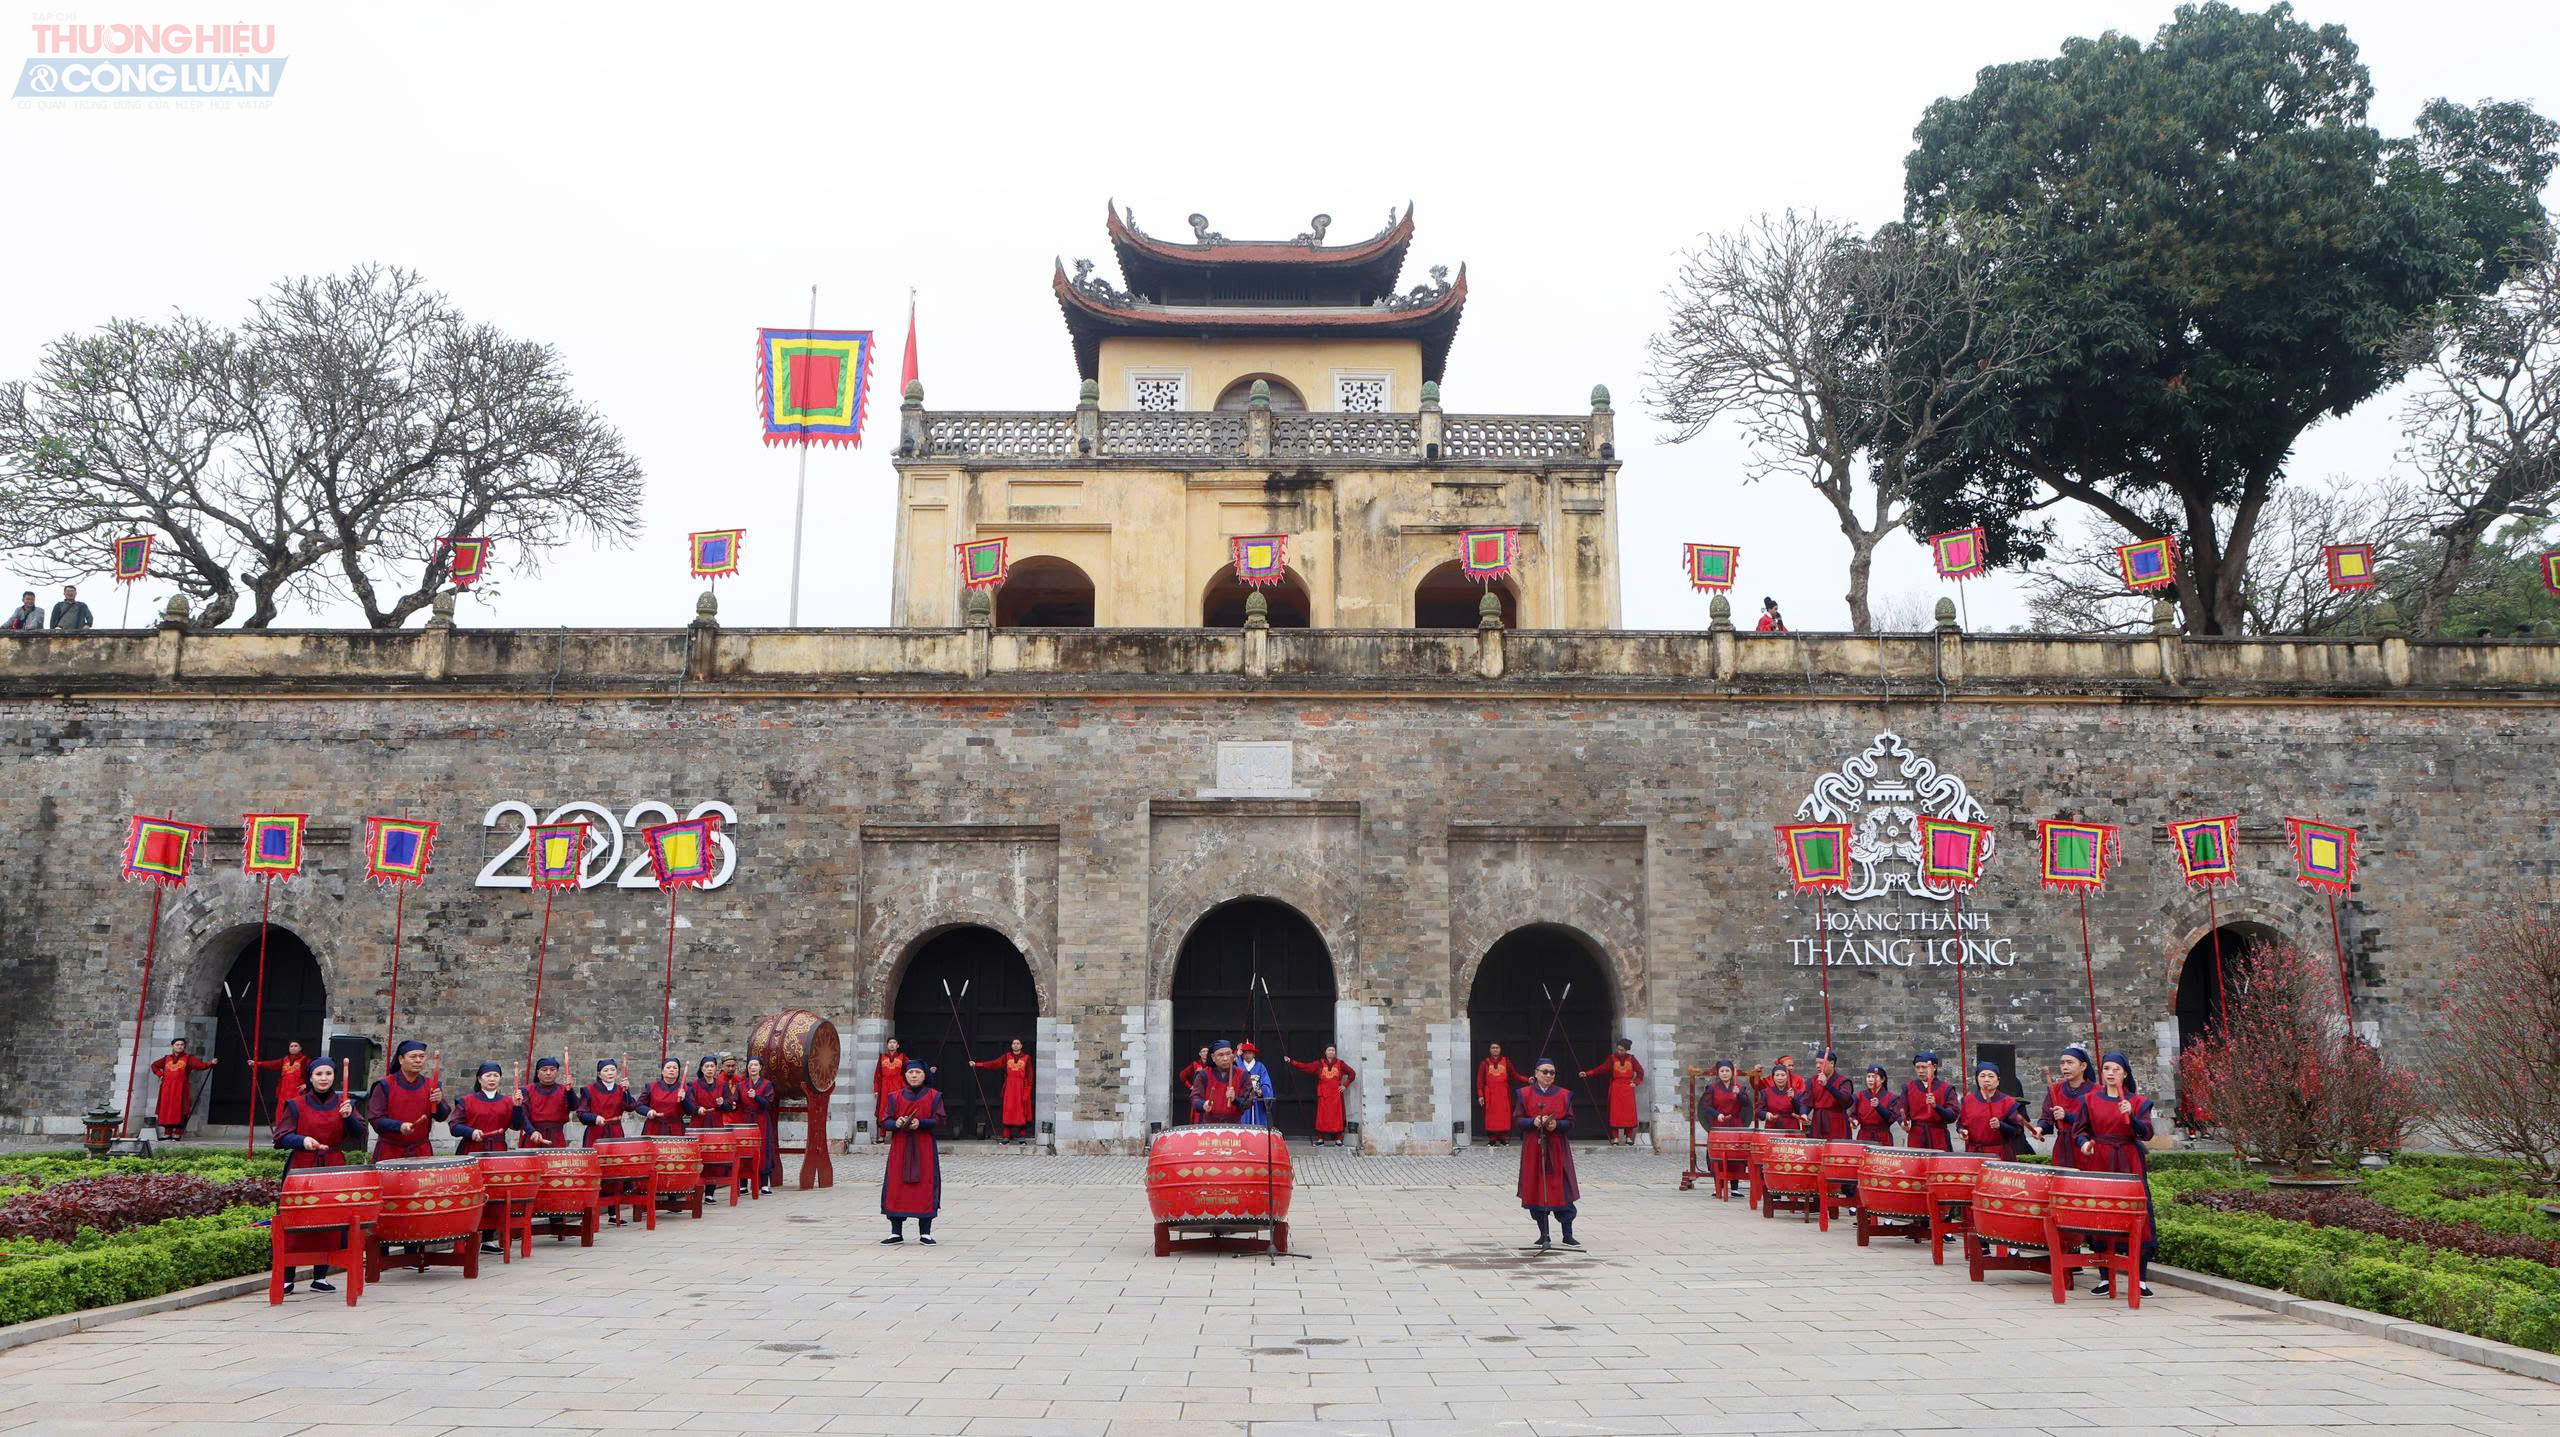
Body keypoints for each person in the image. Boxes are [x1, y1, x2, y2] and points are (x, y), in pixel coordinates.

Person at [271, 1056, 365, 1294]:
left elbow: (359, 1135)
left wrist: (349, 1118)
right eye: (319, 1074)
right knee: (296, 1218)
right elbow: (280, 1137)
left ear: (334, 1077)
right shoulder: (296, 1104)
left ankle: (320, 1276)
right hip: (302, 1167)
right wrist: (303, 1141)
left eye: (328, 1074)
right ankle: (287, 1277)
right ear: (310, 1078)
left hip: (333, 1167)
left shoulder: (345, 1103)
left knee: (329, 1218)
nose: (324, 1078)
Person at [2079, 1052, 2158, 1298]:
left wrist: (2131, 1116)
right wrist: (2084, 1143)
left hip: (2129, 1160)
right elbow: (2080, 1131)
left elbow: (2146, 1133)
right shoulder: (2089, 1100)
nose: (2110, 1073)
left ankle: (2140, 1279)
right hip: (2100, 1160)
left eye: (2116, 1069)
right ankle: (2105, 1277)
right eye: (2106, 1069)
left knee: (2136, 1213)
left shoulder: (2139, 1101)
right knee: (2101, 1212)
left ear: (2125, 1073)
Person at [1514, 1060, 1580, 1248]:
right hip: (1534, 1149)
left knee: (1561, 1187)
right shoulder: (1524, 1094)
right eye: (1545, 1072)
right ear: (1536, 1073)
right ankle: (1544, 1235)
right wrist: (1533, 1122)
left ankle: (1568, 1234)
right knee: (1536, 1189)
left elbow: (1571, 1122)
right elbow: (1518, 1120)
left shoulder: (1564, 1094)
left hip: (1557, 1148)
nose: (1549, 1075)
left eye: (1552, 1072)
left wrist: (1556, 1124)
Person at [880, 1060, 945, 1244]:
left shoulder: (934, 1096)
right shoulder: (894, 1096)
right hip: (900, 1148)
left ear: (924, 1075)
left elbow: (940, 1120)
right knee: (896, 1185)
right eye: (910, 1072)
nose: (914, 1075)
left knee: (926, 1184)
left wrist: (921, 1123)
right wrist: (896, 1123)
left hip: (924, 1147)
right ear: (905, 1075)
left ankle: (925, 1232)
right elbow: (884, 1120)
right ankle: (896, 1232)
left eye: (918, 1072)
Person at [366, 1040, 449, 1161]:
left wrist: (439, 1102)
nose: (418, 1060)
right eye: (413, 1056)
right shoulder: (385, 1085)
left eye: (422, 1056)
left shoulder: (431, 1085)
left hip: (421, 1152)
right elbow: (375, 1119)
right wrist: (399, 1126)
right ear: (401, 1059)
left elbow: (442, 1116)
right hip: (390, 1152)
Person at [2038, 1044, 2097, 1169]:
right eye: (2062, 1063)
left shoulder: (2097, 1092)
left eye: (2070, 1063)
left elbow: (2098, 1122)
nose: (2065, 1067)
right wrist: (2039, 1128)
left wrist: (2067, 1116)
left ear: (2083, 1066)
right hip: (2063, 1147)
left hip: (2087, 1145)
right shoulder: (2056, 1090)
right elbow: (2047, 1117)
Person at [1286, 1045, 1357, 1147]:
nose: (1331, 1052)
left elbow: (1352, 1074)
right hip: (1323, 1094)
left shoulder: (1340, 1063)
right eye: (1329, 1050)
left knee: (1337, 1117)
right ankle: (1320, 1139)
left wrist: (1345, 1085)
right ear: (1325, 1052)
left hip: (1335, 1095)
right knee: (1322, 1117)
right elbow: (1306, 1067)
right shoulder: (1319, 1063)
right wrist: (1292, 1061)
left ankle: (1338, 1139)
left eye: (1333, 1050)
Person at [971, 1037, 1037, 1144]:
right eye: (1014, 1043)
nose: (1016, 1045)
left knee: (1021, 1112)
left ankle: (1022, 1137)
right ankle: (1006, 1137)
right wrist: (978, 1064)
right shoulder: (1007, 1057)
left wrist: (1027, 1091)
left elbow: (1030, 1076)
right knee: (1008, 1111)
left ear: (1021, 1046)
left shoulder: (1026, 1058)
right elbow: (994, 1064)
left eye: (1018, 1043)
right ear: (1011, 1045)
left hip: (1021, 1088)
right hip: (1009, 1088)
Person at [1581, 1039, 1647, 1145]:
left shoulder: (1632, 1059)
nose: (1619, 1051)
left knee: (1628, 1112)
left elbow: (1640, 1072)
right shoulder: (1612, 1058)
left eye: (1622, 1050)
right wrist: (1588, 1073)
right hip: (1616, 1088)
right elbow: (1602, 1069)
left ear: (1626, 1050)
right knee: (1615, 1112)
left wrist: (1635, 1083)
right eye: (1618, 1049)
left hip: (1627, 1088)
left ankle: (1628, 1137)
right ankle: (1615, 1137)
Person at [1957, 1062, 2028, 1160]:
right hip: (1974, 1153)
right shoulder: (1967, 1101)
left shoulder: (2008, 1102)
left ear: (1998, 1081)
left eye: (1991, 1076)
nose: (1986, 1079)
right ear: (1977, 1079)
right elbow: (1961, 1123)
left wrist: (2001, 1125)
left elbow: (2018, 1130)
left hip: (2000, 1153)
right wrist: (1962, 1131)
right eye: (1982, 1076)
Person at [450, 1062, 524, 1155]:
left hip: (498, 1151)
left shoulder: (508, 1101)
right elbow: (454, 1126)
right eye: (488, 1075)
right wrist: (471, 1132)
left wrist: (517, 1107)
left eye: (496, 1075)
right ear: (479, 1079)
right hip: (472, 1150)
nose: (492, 1079)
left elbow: (517, 1126)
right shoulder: (466, 1101)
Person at [147, 1038, 214, 1139]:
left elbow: (201, 1066)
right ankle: (167, 1133)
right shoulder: (167, 1058)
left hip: (181, 1089)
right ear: (173, 1046)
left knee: (181, 1110)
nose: (179, 1046)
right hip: (167, 1089)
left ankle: (178, 1133)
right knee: (167, 1110)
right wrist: (160, 1074)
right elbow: (154, 1065)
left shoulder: (189, 1058)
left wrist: (211, 1063)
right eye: (177, 1045)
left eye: (182, 1045)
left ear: (184, 1046)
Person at [1899, 1051, 1957, 1151]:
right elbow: (1900, 1110)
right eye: (1917, 1067)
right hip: (1916, 1137)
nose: (1920, 1071)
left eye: (1924, 1067)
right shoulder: (1908, 1088)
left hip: (1939, 1137)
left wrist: (1936, 1107)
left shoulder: (1946, 1089)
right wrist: (1903, 1122)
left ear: (1934, 1067)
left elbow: (1952, 1115)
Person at [247, 1040, 310, 1130]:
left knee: (297, 1113)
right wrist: (256, 1064)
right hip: (284, 1092)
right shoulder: (285, 1060)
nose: (293, 1048)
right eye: (291, 1046)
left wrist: (307, 1085)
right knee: (281, 1114)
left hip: (297, 1093)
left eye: (296, 1046)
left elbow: (314, 1072)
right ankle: (280, 1133)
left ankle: (296, 1133)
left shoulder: (305, 1060)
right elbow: (271, 1064)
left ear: (300, 1048)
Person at [740, 1055, 780, 1193]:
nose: (752, 1067)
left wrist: (756, 1097)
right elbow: (735, 1101)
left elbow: (768, 1103)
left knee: (763, 1149)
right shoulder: (741, 1085)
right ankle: (743, 1183)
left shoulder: (767, 1084)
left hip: (761, 1119)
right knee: (744, 1149)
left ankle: (764, 1184)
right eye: (750, 1065)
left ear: (760, 1067)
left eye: (755, 1065)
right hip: (746, 1120)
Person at [520, 1055, 576, 1147]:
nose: (548, 1073)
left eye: (552, 1070)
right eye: (544, 1070)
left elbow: (574, 1106)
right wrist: (531, 1131)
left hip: (556, 1138)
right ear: (538, 1072)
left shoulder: (564, 1090)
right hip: (534, 1137)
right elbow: (522, 1116)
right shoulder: (527, 1091)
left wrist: (570, 1091)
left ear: (557, 1072)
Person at [577, 1058, 637, 1144]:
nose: (610, 1073)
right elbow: (581, 1113)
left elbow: (630, 1107)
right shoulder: (589, 1090)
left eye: (613, 1070)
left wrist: (627, 1091)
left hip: (616, 1133)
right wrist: (595, 1118)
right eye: (606, 1070)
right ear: (599, 1074)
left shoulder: (621, 1090)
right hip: (595, 1133)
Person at [1190, 1040, 1249, 1124]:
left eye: (1228, 1054)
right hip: (1209, 1125)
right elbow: (1195, 1098)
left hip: (1235, 1126)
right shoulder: (1203, 1075)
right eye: (1221, 1055)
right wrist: (1203, 1105)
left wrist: (1234, 1099)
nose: (1225, 1058)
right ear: (1213, 1057)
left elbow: (1248, 1101)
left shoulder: (1243, 1075)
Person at [1800, 1048, 1852, 1141]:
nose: (1818, 1066)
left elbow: (1846, 1101)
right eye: (1816, 1063)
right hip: (1818, 1122)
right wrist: (1804, 1113)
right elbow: (1806, 1101)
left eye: (1821, 1063)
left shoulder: (1843, 1081)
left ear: (1832, 1063)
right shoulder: (1812, 1081)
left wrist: (1827, 1085)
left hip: (1837, 1123)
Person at [1475, 1043, 1521, 1146]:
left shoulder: (1506, 1061)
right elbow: (1480, 1081)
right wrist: (1480, 1095)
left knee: (1504, 1115)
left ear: (1500, 1049)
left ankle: (1503, 1138)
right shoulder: (1485, 1063)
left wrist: (1527, 1079)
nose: (1495, 1050)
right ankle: (1492, 1139)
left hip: (1503, 1094)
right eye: (1493, 1048)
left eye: (1497, 1048)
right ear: (1490, 1050)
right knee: (1490, 1117)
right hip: (1490, 1094)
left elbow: (1515, 1075)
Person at [640, 1058, 695, 1136]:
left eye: (675, 1068)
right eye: (668, 1067)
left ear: (678, 1072)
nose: (671, 1070)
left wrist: (684, 1099)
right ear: (662, 1071)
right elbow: (639, 1105)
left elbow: (692, 1111)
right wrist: (648, 1111)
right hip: (654, 1127)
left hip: (676, 1128)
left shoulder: (685, 1089)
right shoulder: (652, 1087)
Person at [1696, 1058, 1755, 1129]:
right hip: (1719, 1124)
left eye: (1727, 1071)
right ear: (1718, 1073)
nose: (1724, 1073)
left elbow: (1746, 1104)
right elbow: (1706, 1106)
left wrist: (1739, 1094)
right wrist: (1717, 1114)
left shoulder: (1739, 1088)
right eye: (1722, 1071)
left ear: (1732, 1072)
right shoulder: (1712, 1088)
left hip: (1736, 1125)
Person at [1851, 1065, 1900, 1143]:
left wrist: (1879, 1107)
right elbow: (1852, 1115)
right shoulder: (1859, 1096)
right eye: (1868, 1076)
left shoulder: (1891, 1097)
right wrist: (1854, 1121)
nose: (1870, 1079)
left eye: (1874, 1077)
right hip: (1864, 1136)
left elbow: (1891, 1118)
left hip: (1883, 1137)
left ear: (1882, 1079)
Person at [685, 1055, 734, 1131]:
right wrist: (697, 1109)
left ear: (715, 1068)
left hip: (716, 1123)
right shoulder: (693, 1085)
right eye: (707, 1066)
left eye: (712, 1066)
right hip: (698, 1123)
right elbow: (689, 1104)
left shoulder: (723, 1085)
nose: (709, 1069)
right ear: (702, 1069)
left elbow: (729, 1106)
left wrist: (722, 1103)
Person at [873, 1039, 908, 1143]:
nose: (892, 1044)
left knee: (898, 1108)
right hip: (884, 1087)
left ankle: (897, 1134)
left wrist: (927, 1069)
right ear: (887, 1045)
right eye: (890, 1043)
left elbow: (912, 1067)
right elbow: (877, 1074)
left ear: (898, 1045)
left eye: (894, 1043)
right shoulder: (882, 1057)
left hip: (898, 1086)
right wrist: (876, 1089)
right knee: (883, 1109)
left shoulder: (902, 1057)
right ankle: (882, 1135)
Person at [1756, 1058, 1803, 1133]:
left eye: (1783, 1075)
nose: (1780, 1078)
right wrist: (1766, 1114)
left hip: (1791, 1128)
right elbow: (1759, 1112)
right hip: (1772, 1128)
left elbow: (1801, 1111)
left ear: (1787, 1076)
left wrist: (1794, 1098)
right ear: (1773, 1077)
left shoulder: (1796, 1092)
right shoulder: (1766, 1092)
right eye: (1777, 1075)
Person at [1234, 1041, 1274, 1127]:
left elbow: (1266, 1082)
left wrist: (1261, 1090)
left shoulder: (1260, 1066)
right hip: (1242, 1101)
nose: (1247, 1055)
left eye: (1250, 1053)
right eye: (1245, 1053)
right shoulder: (1237, 1066)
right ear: (1242, 1055)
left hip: (1257, 1102)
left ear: (1254, 1054)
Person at [1178, 1046, 1211, 1123]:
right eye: (1203, 1051)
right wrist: (1190, 1086)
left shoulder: (1213, 1064)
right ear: (1200, 1054)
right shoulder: (1195, 1064)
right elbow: (1182, 1075)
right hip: (1198, 1093)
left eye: (1207, 1051)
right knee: (1197, 1116)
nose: (1205, 1053)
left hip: (1209, 1093)